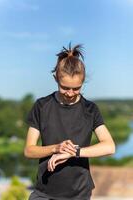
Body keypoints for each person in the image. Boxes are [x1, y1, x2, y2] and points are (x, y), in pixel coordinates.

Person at [24, 43, 115, 200]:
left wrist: (74, 152)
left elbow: (109, 147)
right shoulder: (41, 106)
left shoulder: (90, 109)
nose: (70, 93)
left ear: (83, 82)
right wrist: (56, 148)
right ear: (55, 79)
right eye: (65, 87)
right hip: (44, 192)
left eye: (76, 88)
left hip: (79, 193)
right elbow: (29, 150)